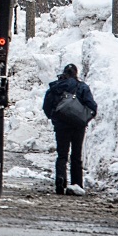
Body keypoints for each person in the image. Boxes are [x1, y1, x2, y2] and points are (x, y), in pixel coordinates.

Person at [42, 63, 98, 196]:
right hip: (78, 127)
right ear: (76, 73)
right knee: (76, 155)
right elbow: (92, 106)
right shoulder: (82, 87)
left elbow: (46, 107)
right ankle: (76, 184)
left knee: (62, 155)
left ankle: (60, 181)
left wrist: (55, 118)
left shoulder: (55, 87)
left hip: (61, 127)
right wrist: (84, 118)